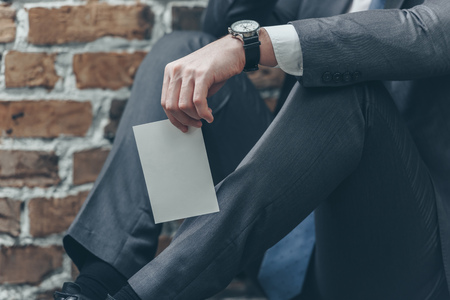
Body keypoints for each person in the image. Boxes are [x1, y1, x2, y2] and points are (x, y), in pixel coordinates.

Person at [54, 0, 450, 299]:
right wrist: (236, 37)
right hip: (285, 223)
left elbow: (427, 33)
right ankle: (98, 283)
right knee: (182, 52)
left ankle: (147, 293)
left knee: (350, 93)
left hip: (401, 251)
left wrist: (247, 45)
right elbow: (217, 29)